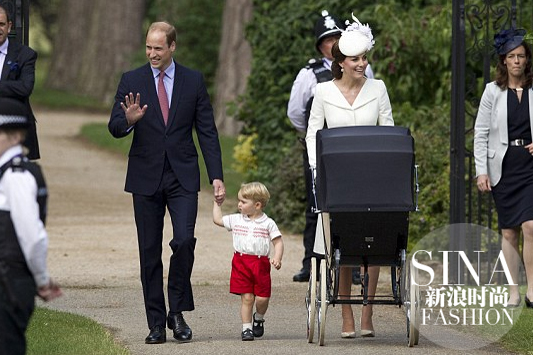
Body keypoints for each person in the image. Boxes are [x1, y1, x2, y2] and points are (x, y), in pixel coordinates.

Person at [108, 21, 226, 344]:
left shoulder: (193, 80)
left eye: (158, 48)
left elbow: (207, 131)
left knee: (184, 240)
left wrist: (216, 175)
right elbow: (114, 125)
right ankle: (157, 323)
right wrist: (129, 121)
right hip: (145, 177)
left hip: (182, 175)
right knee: (149, 252)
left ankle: (177, 310)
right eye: (148, 47)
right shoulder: (132, 80)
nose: (152, 54)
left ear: (172, 47)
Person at [305, 14, 394, 338]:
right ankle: (345, 315)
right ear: (341, 62)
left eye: (364, 57)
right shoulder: (324, 91)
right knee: (341, 250)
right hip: (337, 180)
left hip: (373, 180)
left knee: (373, 247)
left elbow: (389, 130)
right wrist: (318, 169)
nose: (362, 63)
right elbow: (314, 132)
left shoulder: (378, 88)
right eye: (355, 59)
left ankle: (367, 315)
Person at [287, 10, 373, 283]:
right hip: (321, 147)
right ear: (320, 44)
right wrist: (312, 138)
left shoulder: (363, 67)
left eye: (337, 37)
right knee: (316, 204)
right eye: (328, 39)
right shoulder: (310, 73)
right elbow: (296, 112)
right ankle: (312, 262)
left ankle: (355, 263)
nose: (333, 43)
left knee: (355, 205)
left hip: (355, 146)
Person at [474, 27, 533, 309]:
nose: (517, 61)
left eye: (521, 56)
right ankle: (513, 291)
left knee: (531, 226)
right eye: (512, 56)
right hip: (504, 166)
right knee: (509, 232)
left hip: (530, 165)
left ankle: (532, 289)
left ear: (527, 60)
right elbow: (481, 133)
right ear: (504, 61)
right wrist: (481, 170)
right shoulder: (492, 92)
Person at [0, 97, 62, 355]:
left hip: (9, 282)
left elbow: (32, 236)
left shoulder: (18, 176)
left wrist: (40, 278)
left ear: (12, 135)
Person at [212, 182, 284, 341]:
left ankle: (259, 317)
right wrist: (217, 203)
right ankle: (246, 328)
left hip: (260, 264)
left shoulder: (268, 223)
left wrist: (277, 258)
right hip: (241, 262)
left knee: (262, 298)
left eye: (243, 202)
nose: (239, 204)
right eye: (239, 200)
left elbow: (278, 242)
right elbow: (217, 219)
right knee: (247, 298)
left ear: (257, 205)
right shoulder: (237, 219)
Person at [0, 5, 40, 160]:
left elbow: (25, 88)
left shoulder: (25, 55)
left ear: (9, 27)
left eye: (1, 24)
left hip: (15, 129)